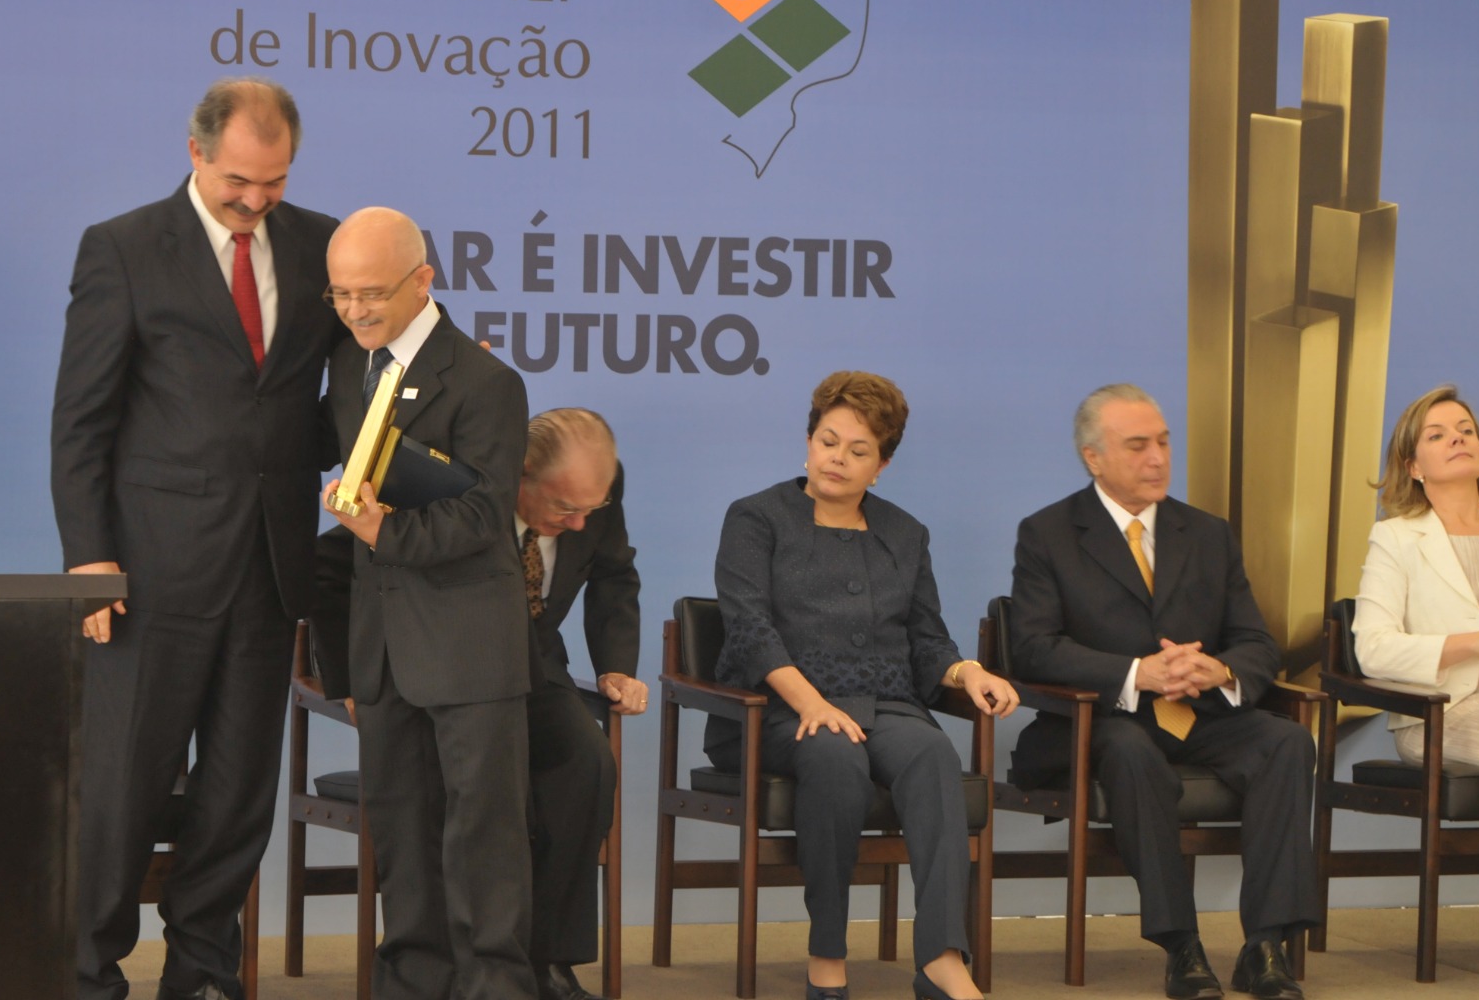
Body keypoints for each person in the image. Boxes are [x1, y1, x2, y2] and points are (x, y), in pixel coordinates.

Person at [51, 77, 338, 1000]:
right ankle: (88, 975)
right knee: (124, 789)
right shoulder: (125, 248)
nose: (256, 201)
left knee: (237, 791)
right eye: (238, 182)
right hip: (148, 573)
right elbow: (82, 421)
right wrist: (89, 560)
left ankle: (203, 973)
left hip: (271, 566)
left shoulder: (321, 245)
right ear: (196, 154)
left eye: (275, 182)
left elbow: (328, 408)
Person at [709, 370, 1018, 1000]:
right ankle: (827, 953)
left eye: (858, 451)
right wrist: (813, 705)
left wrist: (969, 672)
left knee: (933, 753)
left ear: (881, 466)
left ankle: (942, 958)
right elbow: (749, 629)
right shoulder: (755, 518)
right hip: (777, 711)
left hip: (886, 705)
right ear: (808, 441)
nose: (838, 459)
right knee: (833, 753)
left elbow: (927, 639)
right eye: (828, 442)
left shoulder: (905, 533)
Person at [1008, 383, 1316, 1000]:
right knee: (1130, 749)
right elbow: (1034, 647)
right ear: (1093, 457)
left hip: (1199, 714)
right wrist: (1135, 673)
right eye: (1137, 446)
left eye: (1164, 443)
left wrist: (1220, 671)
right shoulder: (1048, 533)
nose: (1157, 459)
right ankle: (1182, 946)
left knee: (1286, 742)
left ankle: (1265, 946)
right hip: (1101, 722)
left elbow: (1256, 641)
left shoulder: (1207, 533)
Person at [318, 206, 535, 999]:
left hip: (468, 644)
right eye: (341, 294)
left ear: (423, 281)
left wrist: (384, 529)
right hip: (382, 649)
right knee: (404, 839)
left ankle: (494, 988)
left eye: (371, 293)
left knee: (482, 839)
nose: (354, 310)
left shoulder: (487, 381)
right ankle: (411, 985)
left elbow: (483, 517)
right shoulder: (348, 365)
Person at [1352, 385, 1479, 911]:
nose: (1457, 439)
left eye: (1465, 431)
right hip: (1439, 718)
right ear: (1413, 466)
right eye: (1437, 435)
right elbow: (1373, 650)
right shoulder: (1396, 538)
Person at [517, 408, 646, 1000]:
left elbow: (614, 575)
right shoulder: (472, 482)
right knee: (494, 788)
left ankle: (550, 959)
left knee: (587, 765)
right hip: (456, 670)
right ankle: (472, 958)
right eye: (564, 506)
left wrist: (615, 665)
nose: (577, 523)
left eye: (591, 508)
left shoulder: (596, 493)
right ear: (521, 474)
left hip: (537, 665)